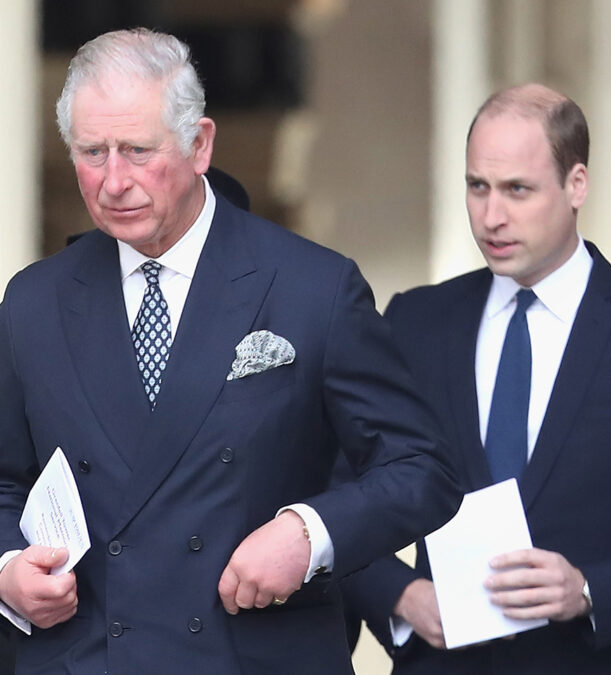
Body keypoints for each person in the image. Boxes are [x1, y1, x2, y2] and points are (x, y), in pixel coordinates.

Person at [0, 28, 459, 674]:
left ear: (200, 144)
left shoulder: (314, 288)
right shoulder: (33, 303)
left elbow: (423, 468)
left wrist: (309, 532)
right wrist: (8, 570)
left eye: (136, 150)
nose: (112, 180)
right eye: (91, 152)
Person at [341, 83, 611, 674]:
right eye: (477, 187)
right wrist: (401, 595)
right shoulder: (417, 322)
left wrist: (590, 589)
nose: (492, 216)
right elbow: (338, 497)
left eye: (518, 189)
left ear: (576, 185)